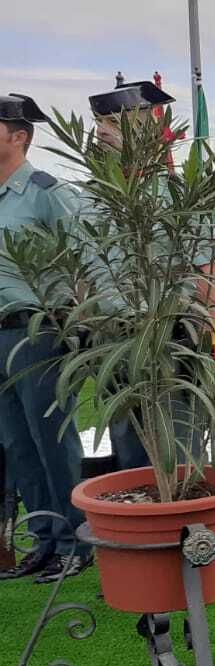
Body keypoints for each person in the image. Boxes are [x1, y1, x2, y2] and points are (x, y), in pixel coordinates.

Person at [86, 79, 215, 472]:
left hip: (171, 336)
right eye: (99, 124)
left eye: (112, 125)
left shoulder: (179, 194)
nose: (101, 135)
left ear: (142, 131)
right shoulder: (91, 199)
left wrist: (203, 329)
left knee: (180, 447)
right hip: (115, 339)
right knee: (130, 449)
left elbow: (208, 271)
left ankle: (190, 531)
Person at [0, 92, 89, 583]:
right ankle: (44, 542)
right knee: (15, 444)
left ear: (19, 136)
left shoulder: (46, 191)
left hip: (38, 331)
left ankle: (77, 542)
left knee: (52, 439)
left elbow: (85, 255)